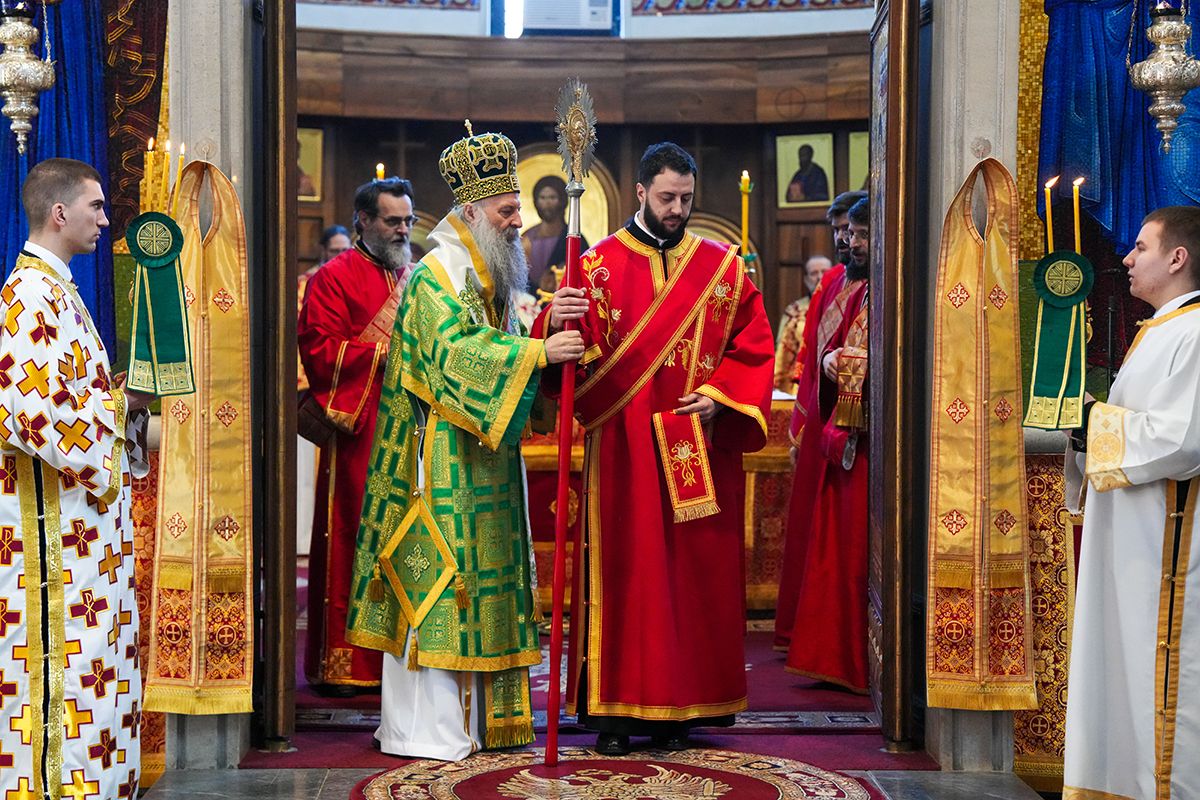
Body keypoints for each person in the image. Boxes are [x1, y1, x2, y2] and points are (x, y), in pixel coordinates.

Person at [345, 126, 584, 760]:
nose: (518, 222)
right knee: (443, 588)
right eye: (507, 211)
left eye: (518, 209)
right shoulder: (435, 277)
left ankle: (481, 724)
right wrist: (538, 353)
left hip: (487, 458)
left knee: (488, 586)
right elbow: (453, 357)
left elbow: (508, 347)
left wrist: (548, 331)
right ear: (473, 211)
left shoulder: (490, 277)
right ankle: (429, 728)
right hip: (441, 463)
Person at [541, 142, 774, 755]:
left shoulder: (722, 268)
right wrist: (554, 323)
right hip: (624, 452)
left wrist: (721, 398)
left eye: (686, 199)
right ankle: (615, 717)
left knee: (691, 581)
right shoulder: (596, 266)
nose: (677, 209)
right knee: (628, 577)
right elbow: (568, 359)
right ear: (642, 192)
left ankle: (681, 710)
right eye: (667, 197)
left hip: (698, 449)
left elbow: (753, 345)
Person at [0, 158, 154, 798]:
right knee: (65, 662)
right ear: (59, 213)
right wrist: (123, 405)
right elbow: (30, 411)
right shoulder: (29, 296)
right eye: (95, 206)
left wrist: (122, 399)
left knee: (96, 659)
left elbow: (72, 396)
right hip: (52, 535)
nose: (105, 219)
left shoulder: (58, 290)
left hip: (83, 526)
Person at [1063, 206, 1200, 799]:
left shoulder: (1194, 332)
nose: (1126, 257)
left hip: (1163, 547)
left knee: (1156, 676)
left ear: (1178, 258)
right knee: (1120, 669)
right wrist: (1085, 428)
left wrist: (1094, 423)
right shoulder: (1161, 329)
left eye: (1141, 247)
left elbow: (1183, 439)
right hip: (1130, 541)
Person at [297, 178, 417, 696]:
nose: (403, 230)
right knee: (353, 535)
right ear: (364, 220)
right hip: (360, 427)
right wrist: (384, 355)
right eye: (393, 221)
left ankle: (401, 659)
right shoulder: (332, 278)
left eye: (408, 221)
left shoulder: (414, 277)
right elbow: (318, 348)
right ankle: (346, 664)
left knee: (405, 541)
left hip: (411, 426)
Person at [783, 195, 871, 692]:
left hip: (865, 433)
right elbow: (820, 350)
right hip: (840, 425)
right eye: (845, 233)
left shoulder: (881, 287)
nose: (849, 242)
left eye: (859, 234)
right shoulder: (841, 284)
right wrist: (828, 364)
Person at [774, 254, 832, 393]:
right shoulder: (794, 311)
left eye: (825, 272)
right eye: (814, 273)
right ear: (806, 279)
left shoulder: (843, 306)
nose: (820, 277)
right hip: (801, 383)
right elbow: (783, 353)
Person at [521, 175, 588, 294]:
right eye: (542, 197)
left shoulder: (574, 238)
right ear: (536, 201)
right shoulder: (527, 238)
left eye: (552, 197)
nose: (547, 203)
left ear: (562, 201)